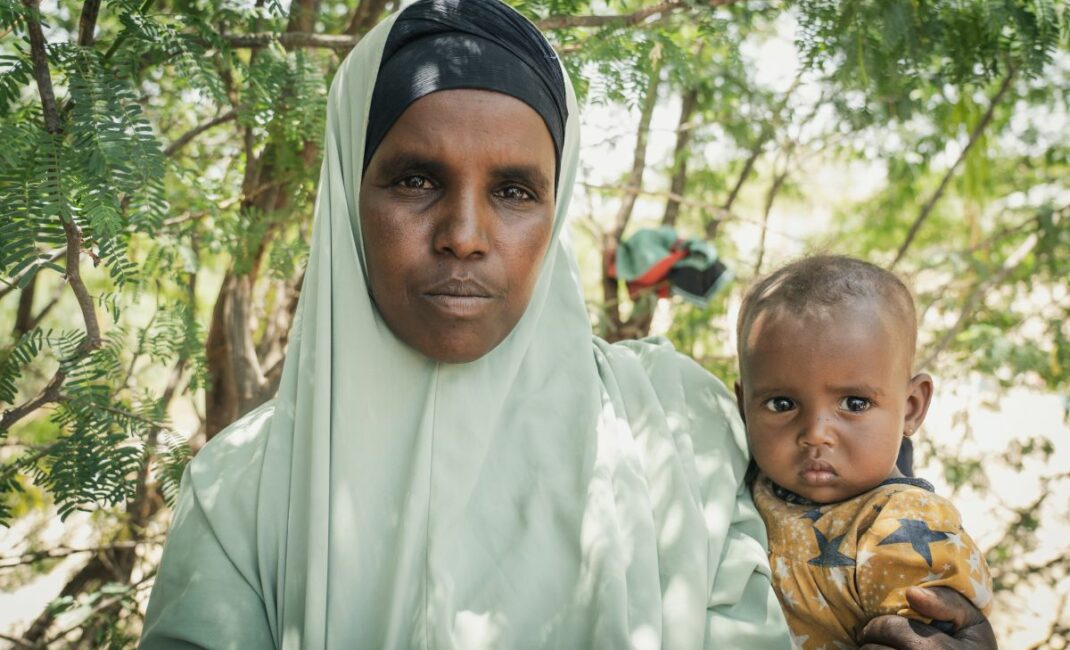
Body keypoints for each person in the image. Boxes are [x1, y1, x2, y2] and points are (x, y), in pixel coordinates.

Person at [140, 1, 997, 648]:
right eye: (412, 180)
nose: (466, 235)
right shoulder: (241, 495)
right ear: (344, 195)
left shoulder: (680, 422)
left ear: (559, 205)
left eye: (515, 191)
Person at [734, 255, 993, 649]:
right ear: (743, 408)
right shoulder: (738, 478)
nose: (816, 435)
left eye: (854, 404)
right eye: (782, 404)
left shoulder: (902, 526)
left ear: (911, 408)